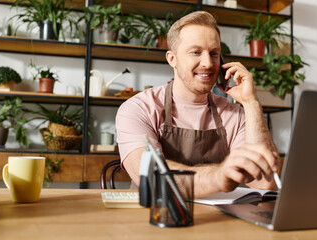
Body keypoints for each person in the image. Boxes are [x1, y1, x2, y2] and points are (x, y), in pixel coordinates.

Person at [115, 11, 279, 197]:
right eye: (196, 52)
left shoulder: (236, 114)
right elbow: (151, 175)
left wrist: (251, 103)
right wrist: (218, 176)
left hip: (217, 221)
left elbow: (264, 182)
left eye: (214, 53)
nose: (208, 63)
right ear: (172, 59)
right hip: (156, 217)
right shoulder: (139, 108)